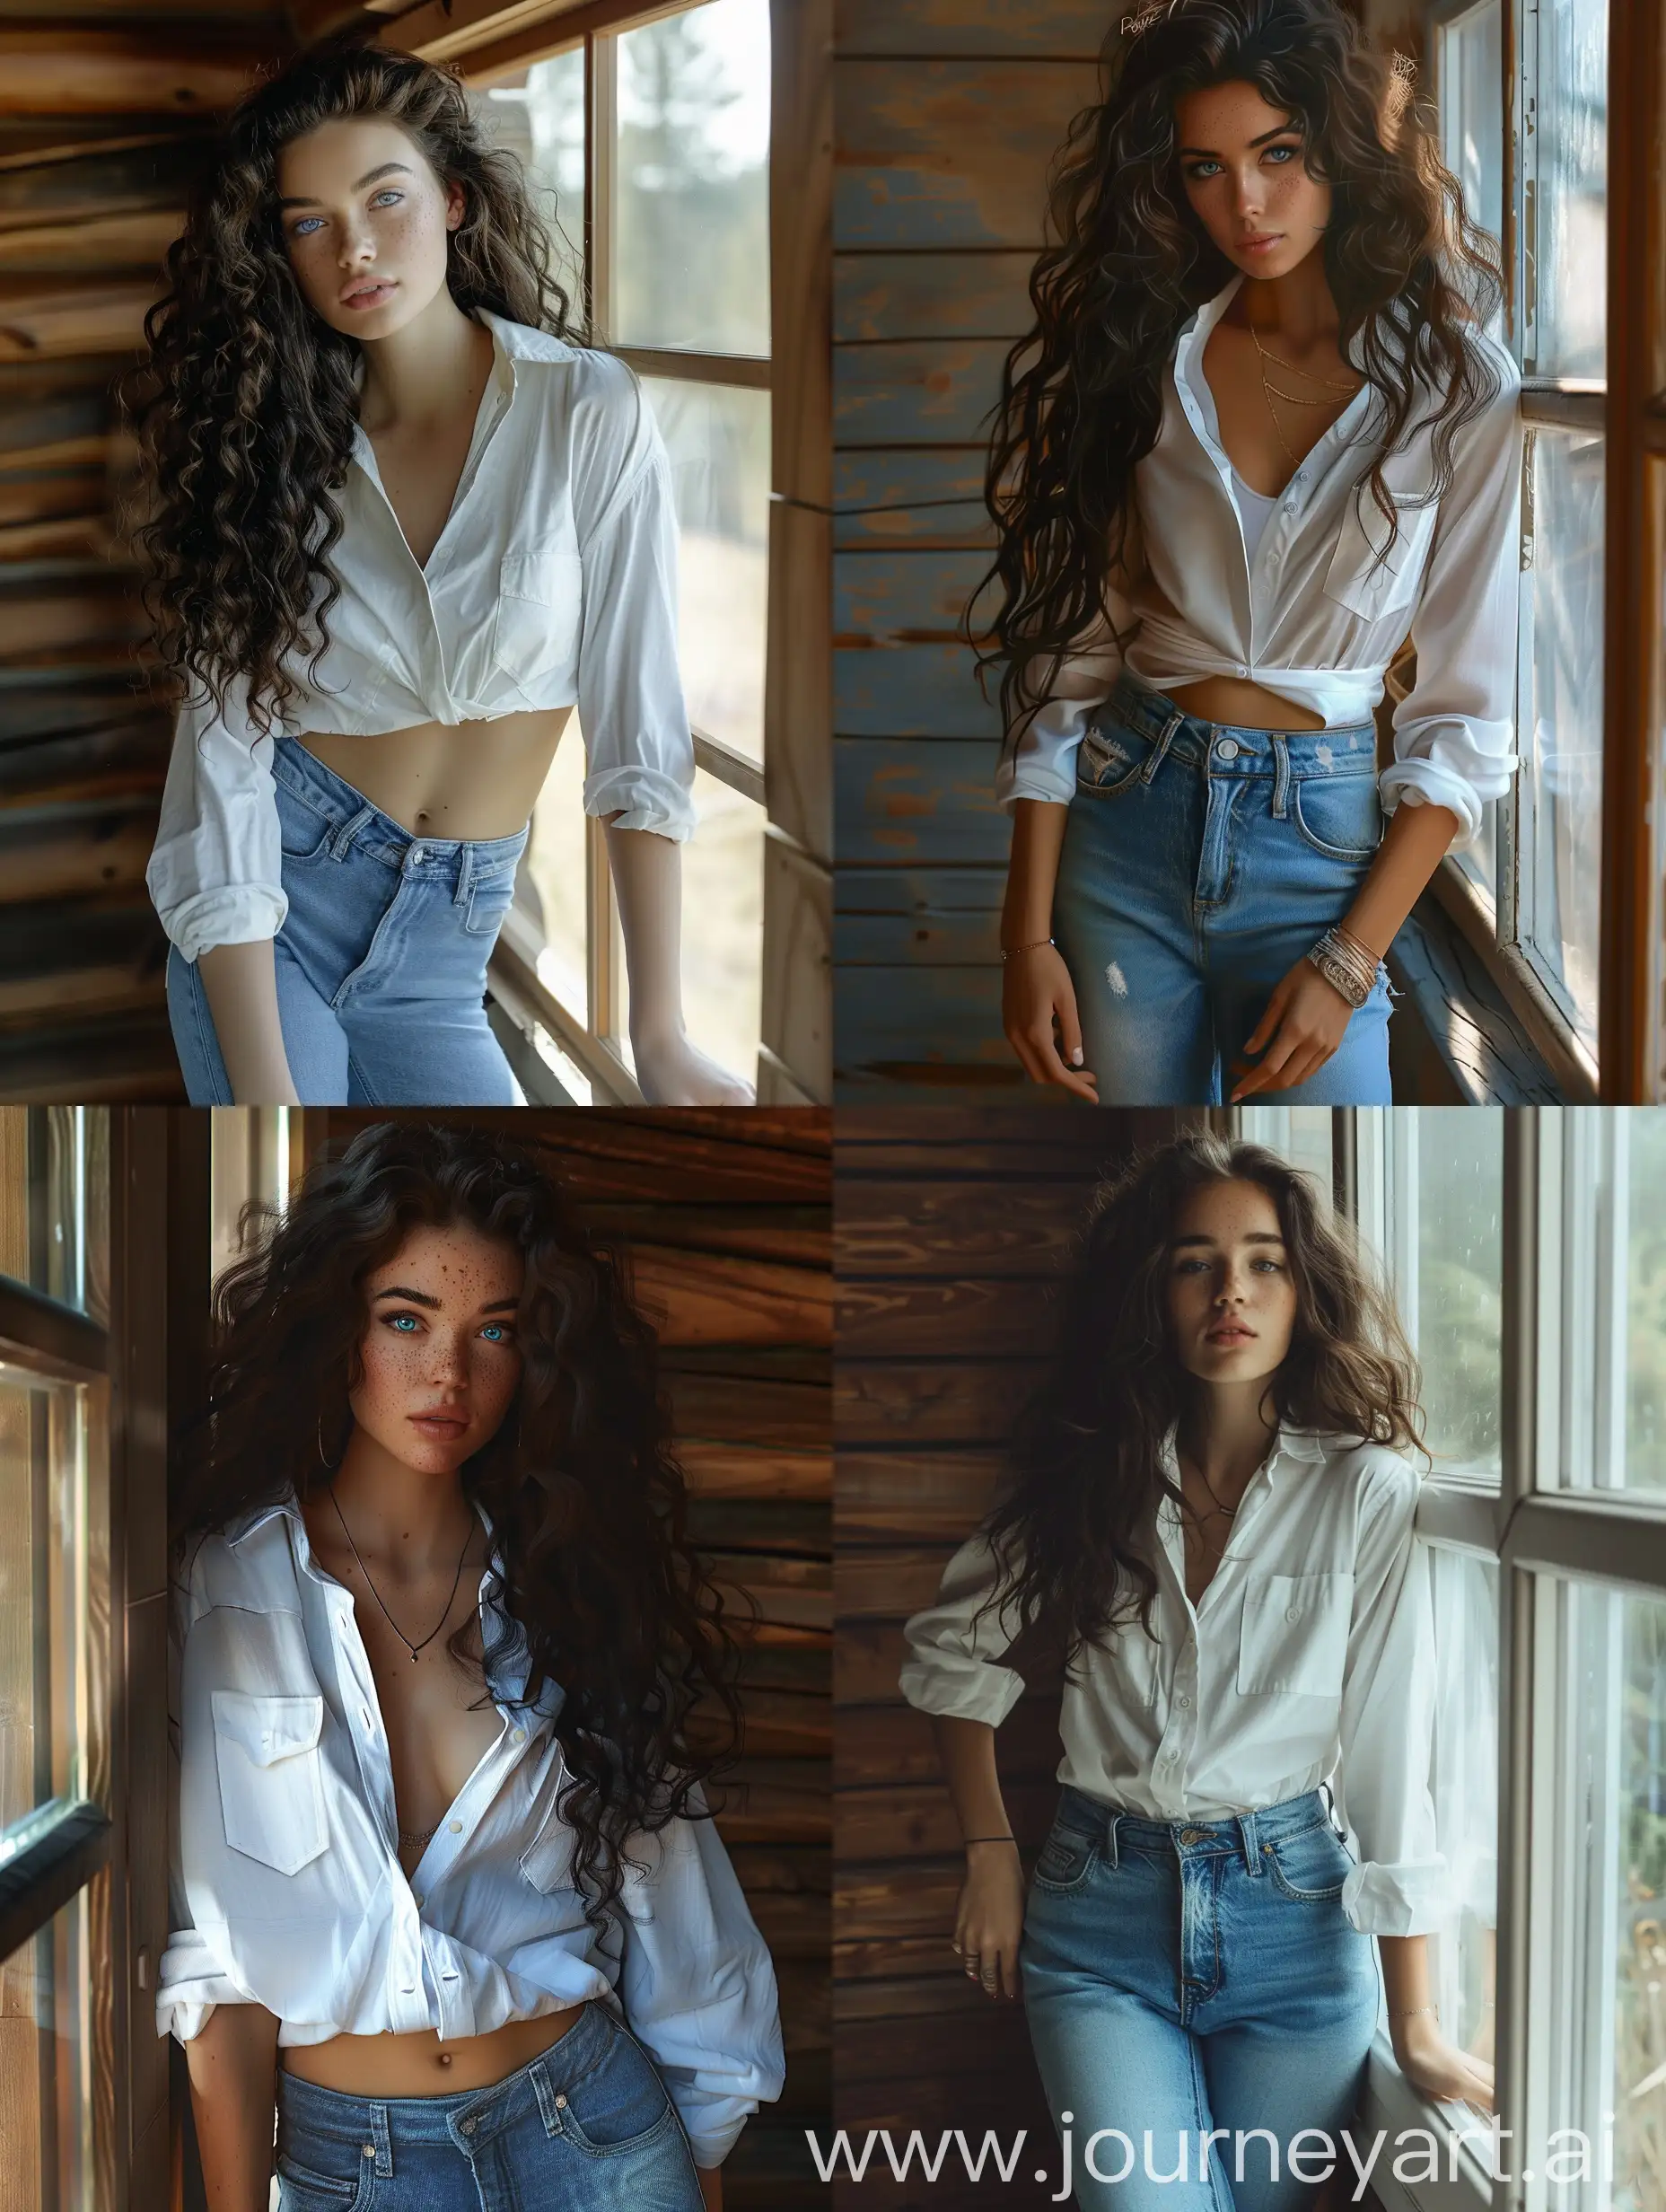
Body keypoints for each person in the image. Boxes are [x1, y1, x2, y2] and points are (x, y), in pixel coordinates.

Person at [158, 1121, 785, 2210]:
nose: (447, 1373)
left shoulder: (570, 1585)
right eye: (406, 1319)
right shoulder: (229, 1588)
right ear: (335, 1327)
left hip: (596, 2133)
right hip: (356, 2167)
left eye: (493, 1331)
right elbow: (221, 1964)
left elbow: (677, 1908)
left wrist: (703, 2166)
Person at [127, 36, 750, 1107]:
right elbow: (221, 774)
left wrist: (658, 1030)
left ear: (455, 199)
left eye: (385, 200)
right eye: (310, 224)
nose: (354, 250)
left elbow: (637, 726)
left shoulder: (582, 413)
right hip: (274, 907)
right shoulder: (266, 456)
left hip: (447, 952)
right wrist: (266, 1098)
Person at [898, 1133, 1492, 2212]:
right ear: (1151, 1290)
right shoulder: (1089, 1471)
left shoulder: (1365, 1489)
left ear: (1302, 1287)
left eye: (1264, 1260)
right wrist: (988, 1846)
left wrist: (1415, 2023)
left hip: (1295, 1926)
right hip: (1095, 1919)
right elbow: (950, 1648)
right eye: (1194, 1261)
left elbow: (1392, 1760)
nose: (1232, 1290)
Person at [980, 0, 1523, 1105]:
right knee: (1139, 1162)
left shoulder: (1455, 388)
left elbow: (1464, 713)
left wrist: (1347, 957)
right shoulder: (1146, 357)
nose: (1245, 203)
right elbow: (1074, 656)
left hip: (1318, 853)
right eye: (1203, 168)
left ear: (1339, 149)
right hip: (1123, 819)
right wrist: (1021, 934)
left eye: (1277, 153)